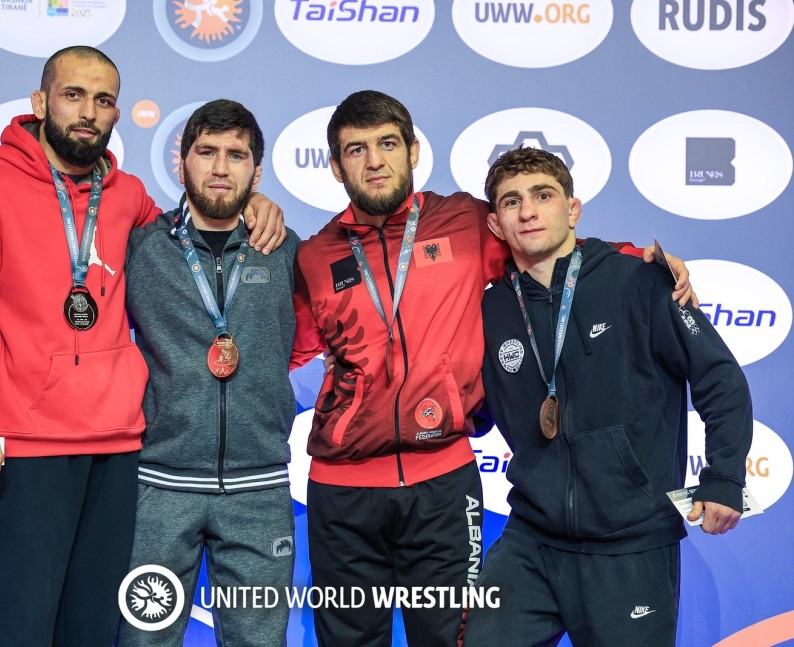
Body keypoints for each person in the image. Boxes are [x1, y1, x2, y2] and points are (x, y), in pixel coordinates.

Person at [292, 90, 695, 647]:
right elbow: (285, 347)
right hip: (341, 488)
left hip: (443, 484)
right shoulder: (315, 256)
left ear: (413, 150)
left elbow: (549, 245)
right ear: (336, 167)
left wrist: (640, 261)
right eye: (356, 150)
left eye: (387, 144)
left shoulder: (463, 221)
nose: (375, 161)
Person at [0, 47, 284, 646]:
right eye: (73, 95)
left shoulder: (128, 196)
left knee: (93, 631)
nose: (88, 111)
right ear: (41, 103)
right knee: (21, 629)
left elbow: (191, 231)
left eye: (104, 99)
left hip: (117, 449)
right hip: (27, 447)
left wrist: (252, 203)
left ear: (117, 114)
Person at [469, 147, 752, 645]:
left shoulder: (639, 280)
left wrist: (725, 476)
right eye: (512, 201)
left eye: (543, 195)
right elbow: (469, 407)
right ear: (496, 223)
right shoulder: (489, 308)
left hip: (632, 542)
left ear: (572, 209)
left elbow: (719, 377)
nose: (528, 211)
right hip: (531, 538)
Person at [118, 99, 322, 646]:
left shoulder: (283, 250)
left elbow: (305, 340)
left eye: (236, 155)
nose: (220, 167)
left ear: (257, 171)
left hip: (259, 489)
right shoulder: (142, 248)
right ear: (182, 161)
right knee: (143, 642)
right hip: (159, 487)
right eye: (207, 152)